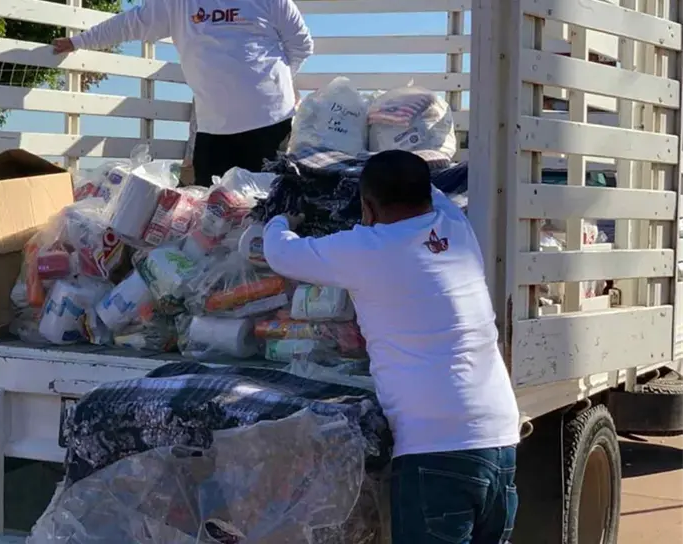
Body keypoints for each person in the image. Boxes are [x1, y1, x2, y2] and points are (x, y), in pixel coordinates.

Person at [261, 150, 520, 543]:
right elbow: (429, 186)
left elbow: (280, 252)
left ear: (367, 207)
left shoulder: (365, 249)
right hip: (500, 441)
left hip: (435, 449)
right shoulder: (455, 226)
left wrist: (281, 217)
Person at [52, 0, 313, 187]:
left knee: (268, 209)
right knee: (211, 214)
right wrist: (79, 41)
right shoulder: (177, 4)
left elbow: (301, 44)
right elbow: (130, 23)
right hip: (214, 131)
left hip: (272, 124)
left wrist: (282, 83)